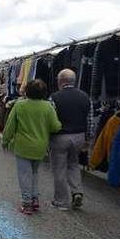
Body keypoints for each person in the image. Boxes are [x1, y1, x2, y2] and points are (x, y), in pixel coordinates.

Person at [1, 80, 62, 215]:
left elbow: (10, 125)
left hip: (23, 147)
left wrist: (5, 140)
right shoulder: (48, 107)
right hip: (40, 146)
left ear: (27, 91)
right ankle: (34, 199)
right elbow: (55, 126)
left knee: (24, 175)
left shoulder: (20, 105)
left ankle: (27, 202)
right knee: (34, 173)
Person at [49, 69, 91, 211]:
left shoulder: (54, 97)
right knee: (73, 164)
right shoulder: (85, 97)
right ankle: (77, 191)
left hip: (60, 137)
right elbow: (90, 120)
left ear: (61, 81)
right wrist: (88, 138)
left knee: (59, 168)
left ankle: (61, 201)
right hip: (79, 136)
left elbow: (51, 119)